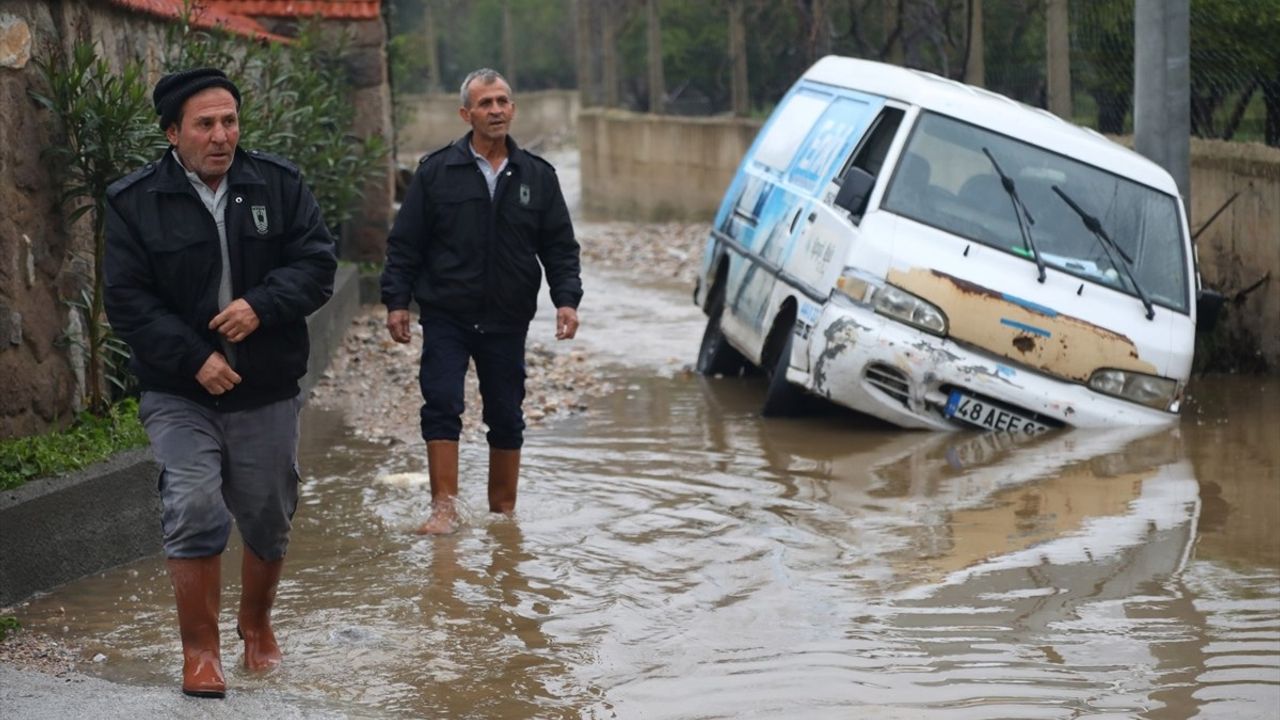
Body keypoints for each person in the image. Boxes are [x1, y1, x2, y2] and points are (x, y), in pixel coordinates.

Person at [103, 67, 336, 698]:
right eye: (205, 124)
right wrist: (192, 357)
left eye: (229, 121)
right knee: (194, 504)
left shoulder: (278, 185)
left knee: (267, 510)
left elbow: (317, 264)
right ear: (173, 131)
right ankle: (201, 652)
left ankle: (256, 625)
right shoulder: (133, 202)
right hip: (180, 391)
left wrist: (261, 304)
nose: (220, 135)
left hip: (265, 385)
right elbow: (126, 300)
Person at [381, 68, 583, 535]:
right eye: (485, 103)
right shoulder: (436, 172)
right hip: (447, 313)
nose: (495, 110)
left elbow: (559, 246)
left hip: (508, 319)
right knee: (442, 403)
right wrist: (396, 301)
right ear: (466, 113)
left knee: (507, 414)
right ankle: (443, 510)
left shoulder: (538, 175)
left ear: (513, 108)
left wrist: (566, 300)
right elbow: (405, 244)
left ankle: (503, 513)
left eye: (502, 101)